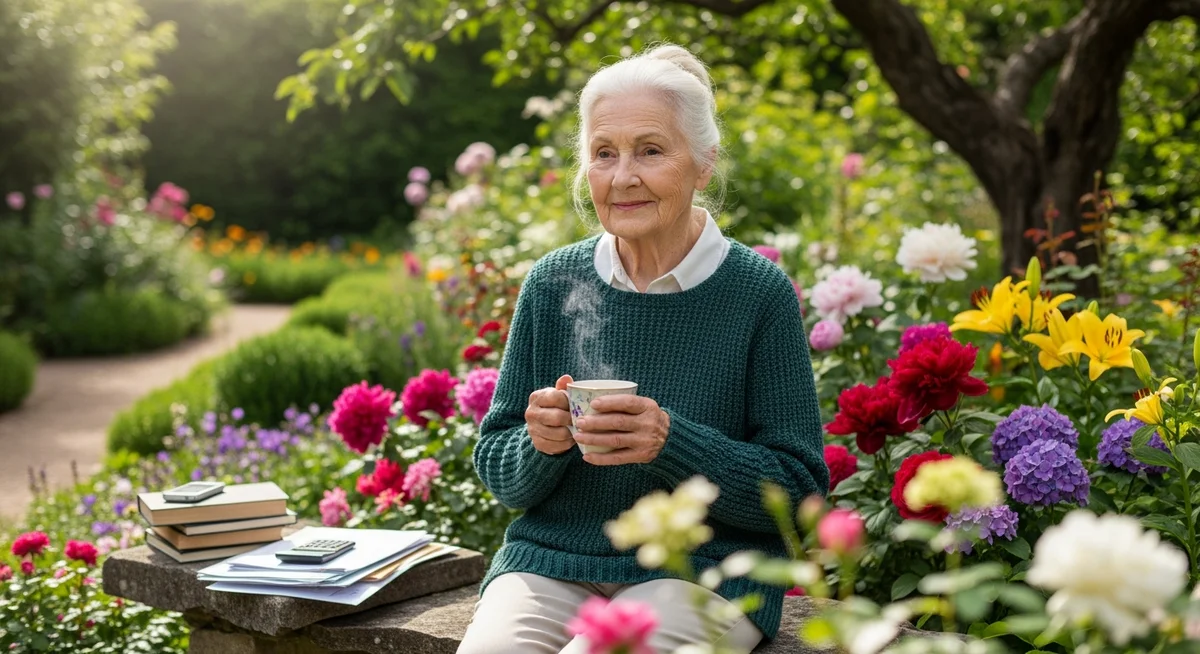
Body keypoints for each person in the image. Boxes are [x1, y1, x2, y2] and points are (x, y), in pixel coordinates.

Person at [457, 43, 829, 654]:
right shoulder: (552, 283)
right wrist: (541, 443)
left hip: (705, 574)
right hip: (551, 564)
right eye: (604, 154)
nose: (622, 176)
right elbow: (500, 468)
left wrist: (668, 442)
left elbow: (800, 491)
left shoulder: (756, 294)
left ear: (703, 163)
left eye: (651, 151)